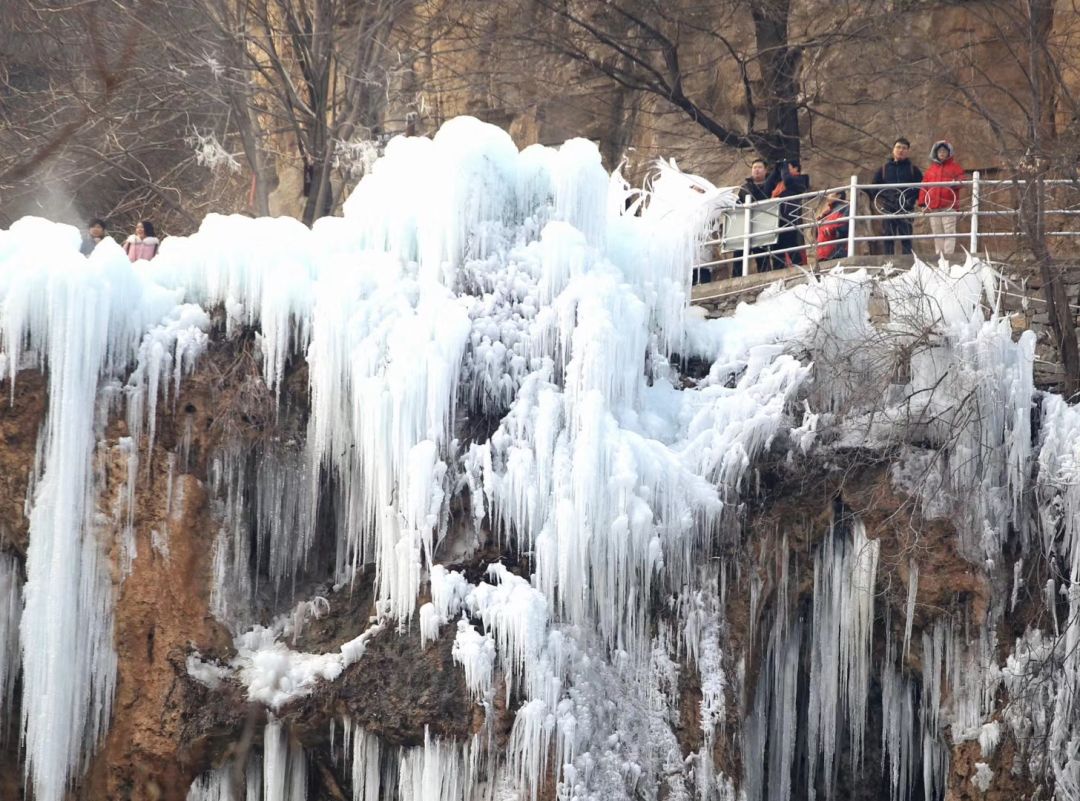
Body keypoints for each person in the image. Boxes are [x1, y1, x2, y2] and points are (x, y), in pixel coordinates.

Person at [872, 138, 922, 255]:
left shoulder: (913, 169)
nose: (901, 150)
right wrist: (886, 199)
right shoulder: (884, 169)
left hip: (906, 207)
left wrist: (910, 199)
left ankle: (908, 264)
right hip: (888, 207)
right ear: (893, 150)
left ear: (908, 151)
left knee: (906, 237)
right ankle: (889, 263)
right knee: (888, 237)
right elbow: (874, 188)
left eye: (904, 148)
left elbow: (920, 188)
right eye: (898, 147)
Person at [918, 140, 965, 257]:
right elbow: (924, 187)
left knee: (949, 231)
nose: (942, 153)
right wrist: (923, 203)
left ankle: (948, 256)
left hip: (949, 205)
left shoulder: (955, 168)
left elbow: (962, 181)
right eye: (940, 151)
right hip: (933, 206)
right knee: (937, 233)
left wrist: (954, 183)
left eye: (944, 151)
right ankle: (939, 257)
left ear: (949, 153)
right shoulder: (930, 170)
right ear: (935, 153)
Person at [731, 158, 774, 276]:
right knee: (739, 254)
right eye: (754, 168)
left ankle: (766, 278)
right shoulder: (745, 188)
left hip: (763, 224)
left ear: (765, 170)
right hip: (745, 225)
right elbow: (738, 205)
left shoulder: (771, 184)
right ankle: (736, 280)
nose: (757, 170)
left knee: (762, 255)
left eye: (760, 167)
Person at [766, 158, 810, 267]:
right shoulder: (779, 184)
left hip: (791, 218)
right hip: (777, 219)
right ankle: (778, 269)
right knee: (777, 247)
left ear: (796, 168)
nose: (784, 170)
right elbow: (767, 188)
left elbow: (788, 181)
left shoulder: (800, 179)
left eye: (787, 167)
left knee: (792, 245)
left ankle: (799, 268)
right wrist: (776, 171)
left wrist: (784, 166)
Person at [816, 190, 849, 262]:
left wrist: (831, 229)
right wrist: (821, 216)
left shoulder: (844, 208)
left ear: (838, 196)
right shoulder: (828, 212)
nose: (827, 197)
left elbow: (845, 227)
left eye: (831, 194)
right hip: (823, 252)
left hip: (836, 250)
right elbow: (817, 230)